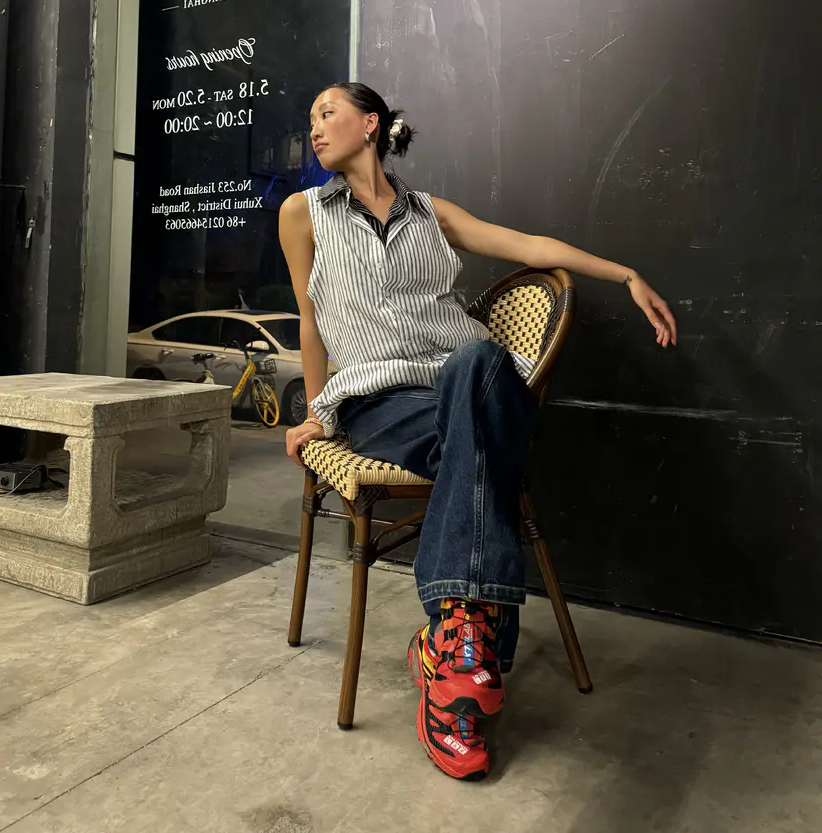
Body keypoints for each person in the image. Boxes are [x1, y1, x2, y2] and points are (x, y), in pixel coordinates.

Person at [278, 82, 676, 782]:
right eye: (311, 118)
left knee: (478, 361)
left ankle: (453, 655)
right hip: (382, 402)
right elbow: (311, 320)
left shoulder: (432, 214)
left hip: (467, 384)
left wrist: (626, 275)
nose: (314, 127)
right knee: (483, 447)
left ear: (369, 124)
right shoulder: (303, 213)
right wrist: (316, 412)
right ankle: (469, 650)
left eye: (326, 112)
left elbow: (529, 245)